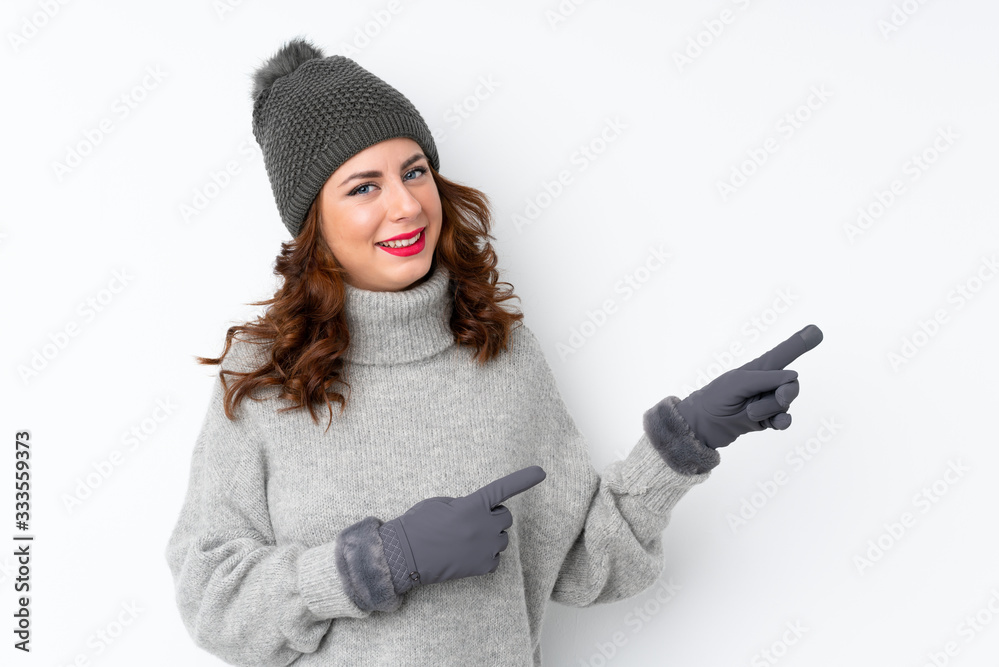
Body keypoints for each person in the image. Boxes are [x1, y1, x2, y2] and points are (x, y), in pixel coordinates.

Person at [164, 36, 824, 666]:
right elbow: (211, 598)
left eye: (415, 171)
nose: (406, 205)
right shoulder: (264, 374)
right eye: (363, 186)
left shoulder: (501, 354)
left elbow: (583, 565)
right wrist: (385, 559)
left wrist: (681, 444)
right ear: (314, 222)